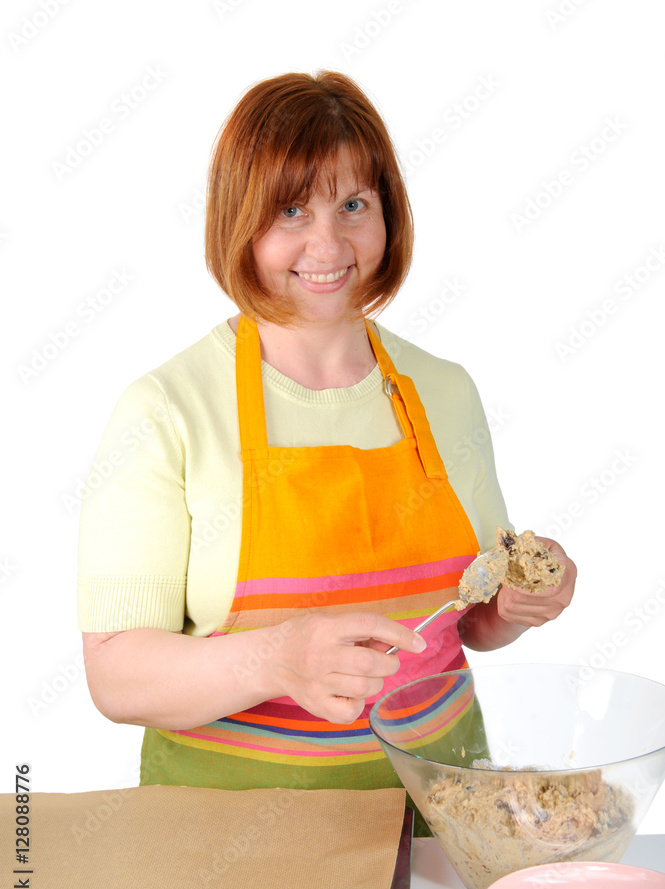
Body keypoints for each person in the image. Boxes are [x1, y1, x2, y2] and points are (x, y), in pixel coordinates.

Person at [78, 71, 576, 815]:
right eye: (290, 210)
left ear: (387, 214)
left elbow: (465, 620)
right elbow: (116, 679)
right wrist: (276, 658)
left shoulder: (442, 392)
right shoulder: (166, 411)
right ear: (237, 221)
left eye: (353, 205)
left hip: (438, 821)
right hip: (227, 837)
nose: (328, 243)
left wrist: (515, 605)